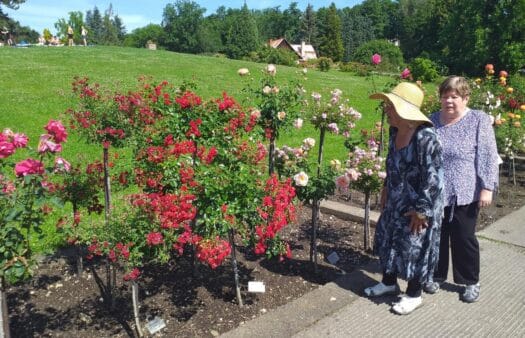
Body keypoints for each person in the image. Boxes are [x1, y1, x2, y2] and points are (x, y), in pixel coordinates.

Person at [364, 82, 444, 315]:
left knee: (414, 246)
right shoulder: (395, 131)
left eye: (390, 106)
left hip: (420, 203)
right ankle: (389, 282)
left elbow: (434, 178)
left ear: (403, 111)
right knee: (389, 238)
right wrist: (386, 186)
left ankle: (414, 294)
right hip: (397, 197)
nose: (386, 110)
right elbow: (392, 163)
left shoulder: (425, 138)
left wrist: (422, 210)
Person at [424, 76, 499, 303]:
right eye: (445, 96)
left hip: (465, 190)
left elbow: (487, 155)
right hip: (436, 191)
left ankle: (470, 281)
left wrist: (486, 187)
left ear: (465, 98)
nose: (449, 101)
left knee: (464, 237)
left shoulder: (478, 120)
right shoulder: (432, 120)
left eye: (454, 96)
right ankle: (435, 275)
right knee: (436, 235)